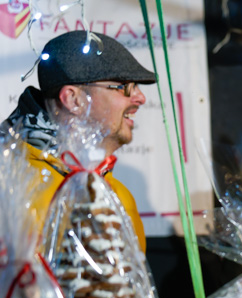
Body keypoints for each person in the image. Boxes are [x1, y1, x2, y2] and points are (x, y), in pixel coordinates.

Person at [1, 30, 155, 252]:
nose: (140, 98)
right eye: (124, 87)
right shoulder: (9, 182)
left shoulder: (118, 195)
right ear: (73, 99)